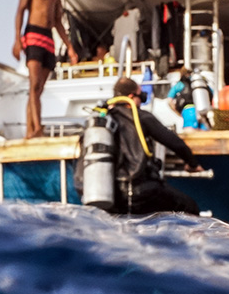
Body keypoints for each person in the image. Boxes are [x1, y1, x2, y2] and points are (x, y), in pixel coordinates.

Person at [76, 77, 205, 215]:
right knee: (190, 207)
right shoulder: (140, 117)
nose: (142, 102)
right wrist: (192, 163)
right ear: (132, 96)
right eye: (142, 97)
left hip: (109, 193)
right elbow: (174, 142)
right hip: (138, 192)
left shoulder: (102, 121)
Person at [12, 0, 79, 138]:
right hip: (33, 33)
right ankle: (36, 129)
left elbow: (58, 22)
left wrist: (70, 47)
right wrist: (17, 40)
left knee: (38, 89)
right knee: (34, 85)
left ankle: (31, 130)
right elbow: (21, 10)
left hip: (48, 39)